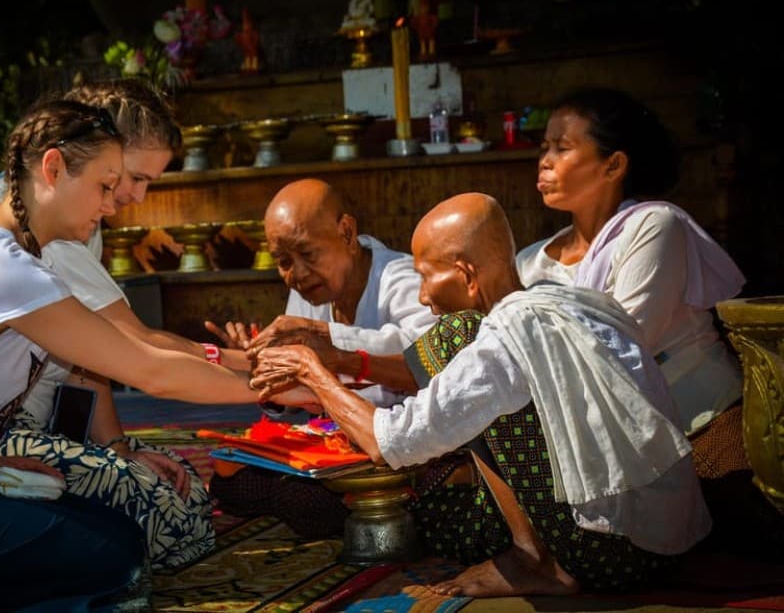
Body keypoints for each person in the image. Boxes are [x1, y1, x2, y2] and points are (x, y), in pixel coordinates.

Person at [0, 99, 310, 611]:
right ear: (52, 168)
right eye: (104, 186)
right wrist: (277, 389)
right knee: (117, 563)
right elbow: (149, 369)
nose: (113, 205)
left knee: (111, 538)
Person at [252, 192, 712, 598]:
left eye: (426, 277)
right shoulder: (561, 300)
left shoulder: (502, 337)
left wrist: (311, 370)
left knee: (452, 348)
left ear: (466, 274)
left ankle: (533, 559)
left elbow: (388, 443)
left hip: (611, 549)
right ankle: (529, 549)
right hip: (669, 538)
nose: (424, 296)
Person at [0, 78, 249, 570]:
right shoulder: (37, 225)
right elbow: (140, 351)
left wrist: (116, 447)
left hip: (35, 424)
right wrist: (258, 375)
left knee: (181, 487)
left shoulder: (75, 214)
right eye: (131, 178)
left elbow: (89, 358)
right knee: (161, 516)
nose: (135, 196)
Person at [514, 87, 767, 553]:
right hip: (613, 452)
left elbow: (619, 344)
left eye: (562, 148)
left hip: (700, 433)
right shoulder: (532, 262)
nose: (544, 161)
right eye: (544, 147)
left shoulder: (654, 226)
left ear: (614, 165)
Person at [204, 177, 437, 538]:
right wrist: (264, 371)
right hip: (337, 447)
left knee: (303, 502)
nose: (296, 274)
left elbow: (427, 356)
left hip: (398, 445)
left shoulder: (402, 278)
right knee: (231, 483)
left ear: (346, 232)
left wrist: (324, 336)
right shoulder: (309, 288)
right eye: (283, 262)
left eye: (308, 255)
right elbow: (302, 390)